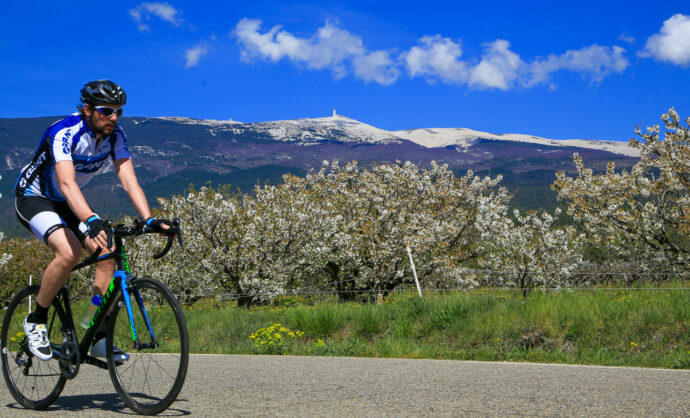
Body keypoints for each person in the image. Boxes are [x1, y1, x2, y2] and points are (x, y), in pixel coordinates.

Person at [14, 80, 171, 361]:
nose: (113, 117)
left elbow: (128, 179)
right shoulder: (63, 132)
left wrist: (148, 219)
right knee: (68, 252)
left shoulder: (116, 136)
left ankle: (95, 332)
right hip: (34, 197)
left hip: (68, 203)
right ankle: (35, 320)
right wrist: (91, 218)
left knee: (108, 255)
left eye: (118, 112)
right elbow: (66, 183)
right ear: (87, 109)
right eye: (106, 111)